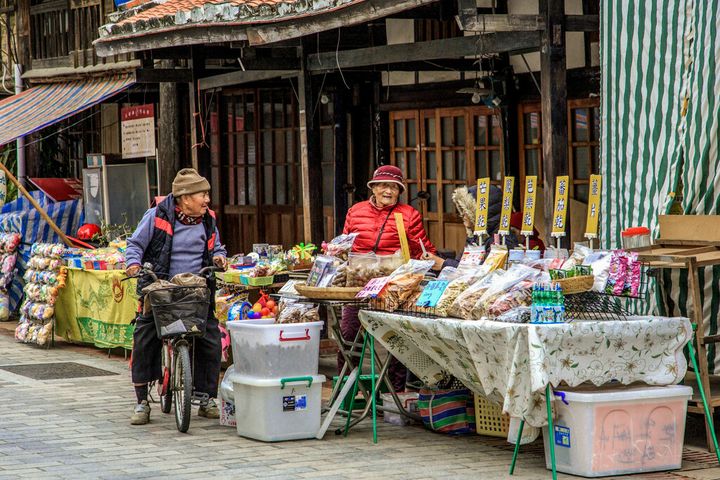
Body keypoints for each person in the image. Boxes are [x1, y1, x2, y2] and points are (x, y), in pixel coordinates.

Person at [125, 168, 228, 425]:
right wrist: (134, 264)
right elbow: (135, 244)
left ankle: (205, 397)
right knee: (145, 335)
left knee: (211, 337)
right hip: (160, 287)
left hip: (195, 288)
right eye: (202, 195)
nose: (207, 200)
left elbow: (216, 245)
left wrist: (219, 257)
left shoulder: (208, 219)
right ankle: (141, 401)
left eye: (206, 195)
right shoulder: (157, 215)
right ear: (184, 198)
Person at [340, 165, 436, 391]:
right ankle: (347, 390)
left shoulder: (409, 215)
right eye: (383, 185)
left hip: (392, 288)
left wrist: (430, 257)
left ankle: (395, 392)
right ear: (373, 188)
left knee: (397, 339)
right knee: (349, 333)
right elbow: (344, 245)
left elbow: (421, 248)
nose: (389, 191)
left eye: (394, 187)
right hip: (357, 284)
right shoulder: (355, 211)